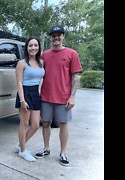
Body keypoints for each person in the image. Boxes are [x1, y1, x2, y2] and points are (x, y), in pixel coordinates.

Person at [34, 25, 83, 166]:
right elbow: (38, 72)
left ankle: (63, 153)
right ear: (51, 38)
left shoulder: (72, 53)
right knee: (46, 123)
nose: (56, 38)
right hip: (45, 96)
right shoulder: (44, 55)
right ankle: (46, 149)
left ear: (63, 36)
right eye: (53, 35)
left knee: (63, 124)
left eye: (58, 35)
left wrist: (72, 96)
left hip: (63, 98)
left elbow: (75, 77)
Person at [14, 37, 45, 162]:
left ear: (38, 47)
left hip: (35, 94)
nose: (33, 48)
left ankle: (20, 145)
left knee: (36, 125)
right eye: (30, 45)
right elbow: (19, 83)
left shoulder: (42, 62)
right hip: (25, 93)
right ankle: (23, 150)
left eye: (35, 45)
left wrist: (40, 89)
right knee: (25, 124)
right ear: (27, 48)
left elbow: (41, 76)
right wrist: (22, 100)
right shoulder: (21, 63)